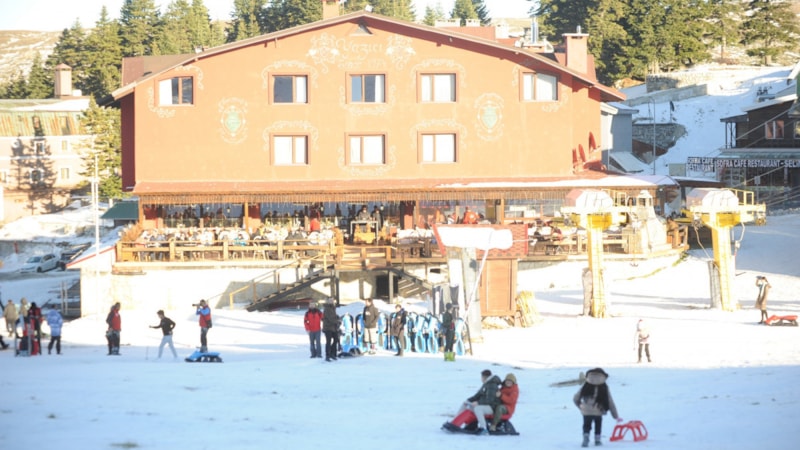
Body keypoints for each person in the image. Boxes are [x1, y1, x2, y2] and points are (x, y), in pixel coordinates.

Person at [573, 367, 622, 447]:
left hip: (586, 411)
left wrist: (580, 406)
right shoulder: (604, 387)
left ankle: (586, 437)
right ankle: (597, 440)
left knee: (586, 425)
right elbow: (610, 402)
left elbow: (575, 398)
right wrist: (616, 416)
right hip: (599, 410)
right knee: (598, 424)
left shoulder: (585, 386)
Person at [452, 369, 502, 434]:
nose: (481, 379)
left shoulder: (492, 385)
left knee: (478, 408)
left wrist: (478, 403)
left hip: (492, 407)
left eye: (481, 377)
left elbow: (490, 400)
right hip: (484, 405)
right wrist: (468, 400)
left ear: (484, 377)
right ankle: (454, 423)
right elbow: (477, 395)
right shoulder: (486, 384)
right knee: (465, 405)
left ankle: (483, 429)